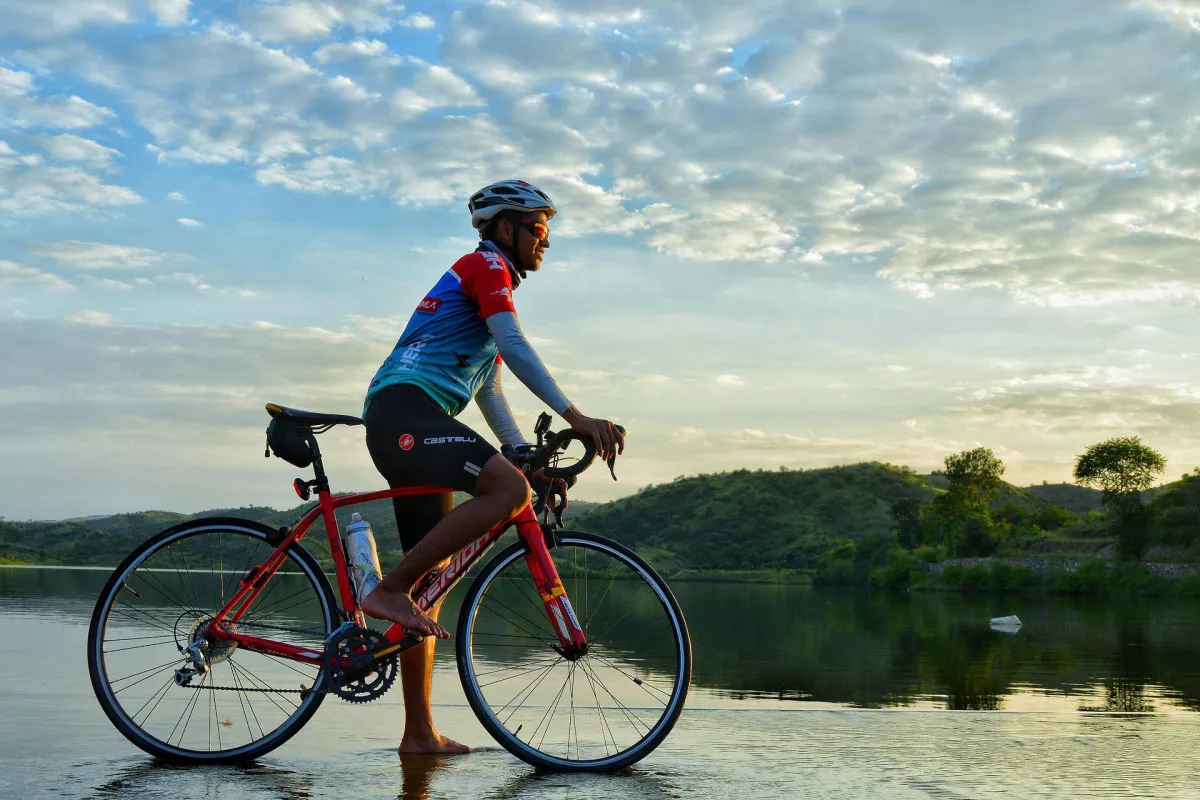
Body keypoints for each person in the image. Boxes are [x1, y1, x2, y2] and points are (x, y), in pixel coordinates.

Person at [359, 179, 626, 755]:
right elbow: (516, 342)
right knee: (500, 492)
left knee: (430, 588)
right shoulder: (485, 268)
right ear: (505, 228)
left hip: (404, 419)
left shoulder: (482, 295)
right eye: (539, 228)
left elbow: (491, 392)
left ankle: (419, 734)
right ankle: (386, 590)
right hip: (406, 412)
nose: (545, 240)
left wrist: (526, 458)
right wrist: (575, 416)